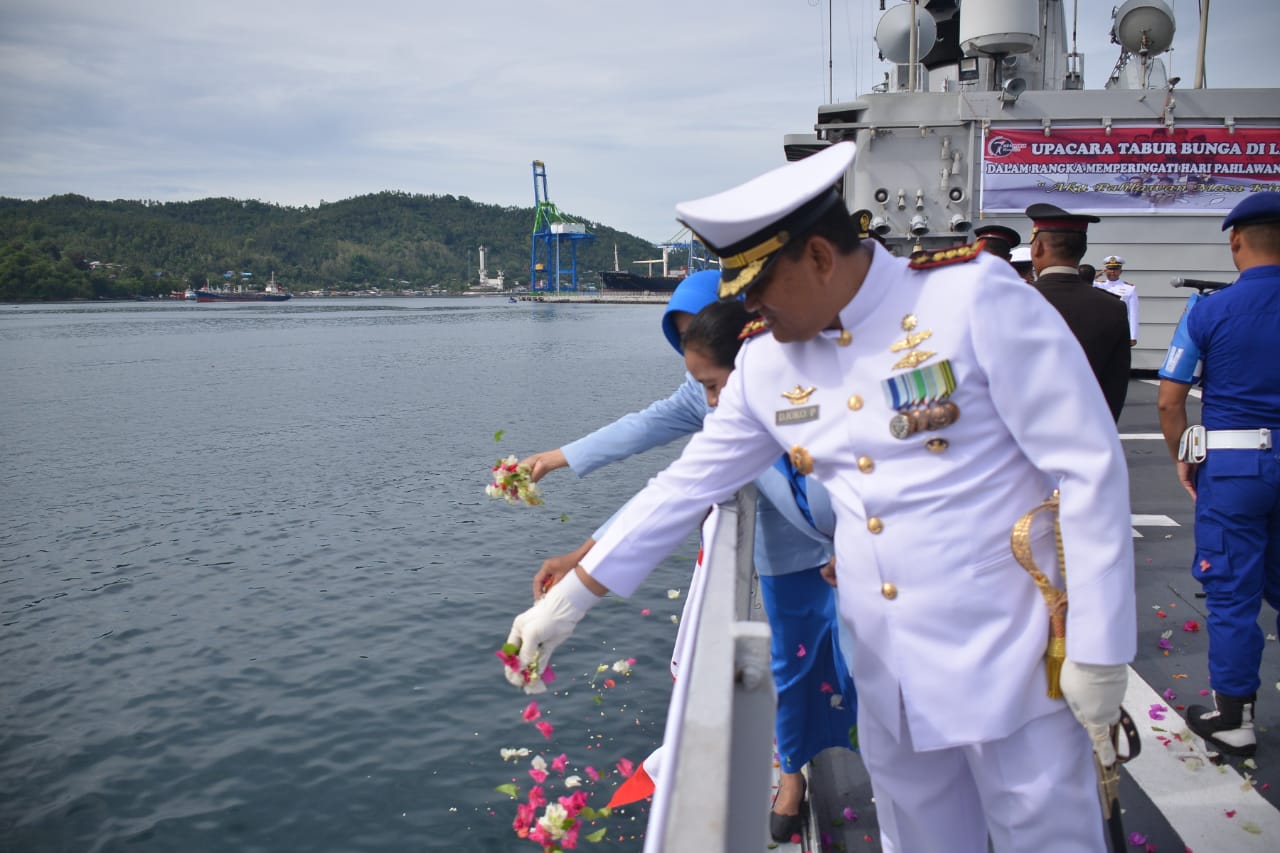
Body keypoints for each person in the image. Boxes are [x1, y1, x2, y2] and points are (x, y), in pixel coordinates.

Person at [503, 141, 1136, 852]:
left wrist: (1101, 649)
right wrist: (570, 600)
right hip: (890, 674)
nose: (749, 310)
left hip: (1010, 659)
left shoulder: (972, 299)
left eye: (758, 289)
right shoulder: (768, 363)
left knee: (1049, 839)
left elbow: (1087, 464)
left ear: (819, 258)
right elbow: (687, 482)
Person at [521, 272, 858, 840]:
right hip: (789, 556)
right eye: (681, 341)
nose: (707, 397)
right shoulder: (727, 398)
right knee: (801, 676)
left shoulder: (833, 377)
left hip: (878, 569)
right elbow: (675, 487)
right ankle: (795, 773)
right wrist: (570, 594)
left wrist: (858, 544)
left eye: (700, 345)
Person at [1155, 191, 1280, 758]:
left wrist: (1184, 450)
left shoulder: (1206, 310)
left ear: (1235, 241)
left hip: (1233, 467)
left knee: (1231, 590)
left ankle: (1235, 717)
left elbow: (1168, 399)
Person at [1025, 202, 1131, 422]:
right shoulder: (1113, 308)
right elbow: (1114, 387)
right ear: (1082, 251)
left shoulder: (1011, 301)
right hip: (1085, 434)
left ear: (1038, 249)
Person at [1095, 255, 1140, 346]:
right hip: (1100, 329)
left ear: (1120, 271)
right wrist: (1096, 275)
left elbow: (1133, 314)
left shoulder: (1129, 288)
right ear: (1105, 270)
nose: (1112, 272)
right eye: (1109, 269)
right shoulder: (1097, 285)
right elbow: (1082, 282)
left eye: (1115, 269)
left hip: (1120, 330)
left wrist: (1133, 336)